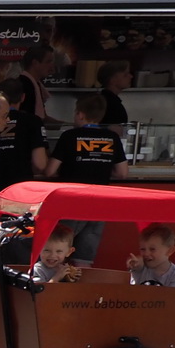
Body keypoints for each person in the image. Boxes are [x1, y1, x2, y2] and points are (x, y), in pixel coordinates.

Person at [46, 92, 128, 267]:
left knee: (56, 252)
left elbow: (50, 170)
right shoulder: (112, 138)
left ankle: (54, 290)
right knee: (84, 259)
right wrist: (100, 167)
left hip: (72, 201)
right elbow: (122, 173)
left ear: (80, 114)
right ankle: (81, 292)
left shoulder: (69, 136)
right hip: (99, 202)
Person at [18, 45, 61, 126]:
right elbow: (26, 117)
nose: (52, 66)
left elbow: (43, 118)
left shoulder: (36, 84)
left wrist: (67, 125)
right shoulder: (24, 84)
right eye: (48, 61)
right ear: (35, 63)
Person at [99, 60, 133, 134]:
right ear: (112, 80)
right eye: (125, 74)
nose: (131, 76)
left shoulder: (108, 100)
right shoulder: (110, 103)